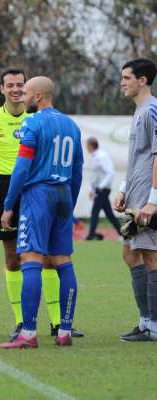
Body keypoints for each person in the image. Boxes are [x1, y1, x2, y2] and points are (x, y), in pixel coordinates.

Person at [0, 67, 83, 339]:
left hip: (38, 195)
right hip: (64, 193)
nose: (21, 97)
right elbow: (78, 170)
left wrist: (9, 204)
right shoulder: (71, 125)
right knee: (63, 261)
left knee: (31, 260)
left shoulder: (32, 123)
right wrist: (70, 203)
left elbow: (21, 169)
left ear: (39, 95)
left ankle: (27, 332)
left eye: (25, 92)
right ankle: (65, 330)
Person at [114, 58, 157, 342]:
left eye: (127, 78)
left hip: (147, 197)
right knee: (130, 254)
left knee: (152, 257)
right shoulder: (139, 111)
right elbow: (138, 158)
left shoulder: (152, 110)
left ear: (142, 80)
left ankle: (154, 326)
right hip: (134, 195)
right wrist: (122, 187)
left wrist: (153, 199)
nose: (122, 83)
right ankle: (145, 321)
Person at [85, 137, 122, 240]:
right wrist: (92, 189)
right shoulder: (94, 157)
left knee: (94, 211)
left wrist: (100, 187)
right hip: (99, 189)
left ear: (91, 146)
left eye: (87, 145)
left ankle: (90, 235)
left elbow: (110, 173)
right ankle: (123, 234)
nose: (86, 148)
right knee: (109, 214)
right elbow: (95, 176)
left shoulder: (102, 156)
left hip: (103, 189)